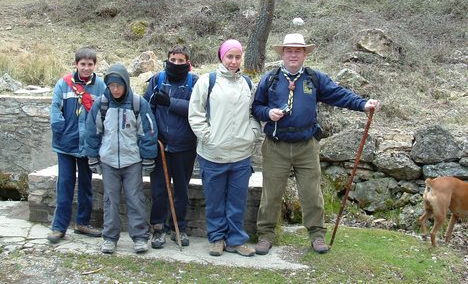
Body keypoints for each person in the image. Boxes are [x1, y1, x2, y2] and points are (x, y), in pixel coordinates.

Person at [252, 33, 381, 255]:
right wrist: (267, 112)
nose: (293, 54)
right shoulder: (270, 79)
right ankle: (265, 235)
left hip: (306, 145)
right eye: (289, 50)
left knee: (311, 193)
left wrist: (362, 104)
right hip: (275, 145)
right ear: (282, 53)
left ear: (304, 54)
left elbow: (338, 95)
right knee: (271, 193)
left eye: (298, 50)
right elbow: (256, 107)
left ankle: (317, 235)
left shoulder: (314, 78)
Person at [188, 39, 261, 257]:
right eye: (230, 56)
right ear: (221, 57)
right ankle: (217, 238)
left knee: (238, 201)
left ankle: (236, 240)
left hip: (241, 154)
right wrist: (209, 138)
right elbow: (195, 114)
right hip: (212, 154)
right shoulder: (207, 81)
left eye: (238, 57)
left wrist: (252, 135)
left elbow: (253, 114)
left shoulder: (247, 84)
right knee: (215, 200)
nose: (233, 61)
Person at [84, 63, 158, 254]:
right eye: (111, 86)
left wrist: (148, 157)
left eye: (119, 85)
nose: (115, 89)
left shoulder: (138, 104)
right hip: (108, 162)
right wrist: (92, 156)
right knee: (110, 200)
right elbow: (92, 132)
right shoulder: (101, 105)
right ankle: (109, 237)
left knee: (135, 200)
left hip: (132, 162)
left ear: (126, 83)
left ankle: (140, 237)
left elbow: (148, 133)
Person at [48, 47, 106, 243]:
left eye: (90, 64)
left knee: (86, 185)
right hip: (66, 144)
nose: (86, 68)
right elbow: (55, 109)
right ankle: (59, 227)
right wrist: (60, 131)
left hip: (88, 145)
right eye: (83, 64)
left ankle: (82, 223)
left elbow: (104, 112)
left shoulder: (100, 86)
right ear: (76, 64)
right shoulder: (63, 84)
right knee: (64, 184)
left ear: (95, 65)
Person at [144, 45, 198, 249]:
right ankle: (158, 228)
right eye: (173, 60)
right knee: (159, 189)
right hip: (160, 145)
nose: (176, 64)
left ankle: (179, 227)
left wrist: (170, 102)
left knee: (182, 190)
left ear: (187, 63)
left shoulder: (195, 82)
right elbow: (146, 109)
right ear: (168, 60)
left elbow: (196, 110)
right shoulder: (157, 80)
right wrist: (151, 136)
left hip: (185, 145)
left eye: (180, 61)